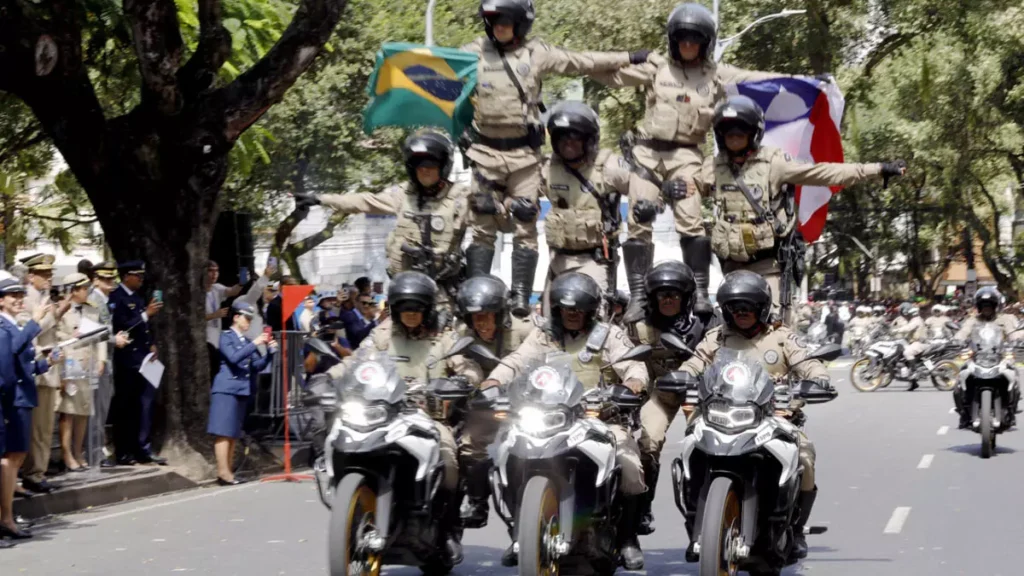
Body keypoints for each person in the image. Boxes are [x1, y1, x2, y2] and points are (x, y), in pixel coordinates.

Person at [591, 3, 796, 321]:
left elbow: (758, 79)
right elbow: (608, 75)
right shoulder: (656, 68)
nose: (688, 45)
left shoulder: (716, 75)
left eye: (695, 40)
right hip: (646, 154)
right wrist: (628, 56)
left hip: (687, 155)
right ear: (674, 41)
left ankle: (700, 292)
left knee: (690, 220)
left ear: (706, 44)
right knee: (638, 220)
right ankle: (639, 298)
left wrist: (801, 81)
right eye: (683, 39)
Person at [459, 0, 648, 317]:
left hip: (524, 156)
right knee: (480, 222)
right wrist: (458, 127)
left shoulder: (536, 53)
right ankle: (475, 290)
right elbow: (438, 75)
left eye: (505, 20)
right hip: (484, 152)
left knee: (525, 220)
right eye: (492, 21)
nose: (498, 26)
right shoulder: (473, 51)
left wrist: (629, 57)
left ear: (520, 23)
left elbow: (582, 61)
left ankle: (520, 295)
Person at [479, 272, 648, 569]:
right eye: (566, 308)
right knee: (504, 455)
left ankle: (627, 538)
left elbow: (633, 365)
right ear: (555, 309)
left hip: (599, 418)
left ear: (591, 310)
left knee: (629, 464)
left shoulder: (608, 334)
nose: (572, 314)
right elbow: (516, 361)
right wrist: (493, 381)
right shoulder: (543, 334)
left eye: (578, 309)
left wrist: (632, 383)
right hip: (547, 416)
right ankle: (521, 532)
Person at [691, 95, 905, 324]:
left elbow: (824, 173)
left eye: (740, 131)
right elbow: (685, 189)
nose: (734, 137)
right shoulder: (713, 167)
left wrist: (878, 169)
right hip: (730, 267)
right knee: (730, 328)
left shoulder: (774, 163)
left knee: (774, 328)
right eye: (728, 132)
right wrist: (659, 189)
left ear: (753, 133)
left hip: (768, 266)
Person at [676, 270, 831, 561]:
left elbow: (811, 364)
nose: (742, 312)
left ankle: (794, 529)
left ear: (762, 307)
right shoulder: (716, 338)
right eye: (735, 307)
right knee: (688, 451)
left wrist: (818, 379)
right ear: (726, 310)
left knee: (805, 457)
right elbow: (693, 365)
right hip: (719, 416)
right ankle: (697, 525)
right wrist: (681, 377)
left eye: (748, 306)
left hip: (774, 418)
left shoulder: (782, 338)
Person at [331, 272, 466, 564]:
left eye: (416, 309)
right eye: (405, 309)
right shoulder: (383, 333)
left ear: (428, 309)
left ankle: (446, 529)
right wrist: (327, 378)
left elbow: (466, 365)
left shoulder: (444, 336)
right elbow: (355, 360)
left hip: (429, 417)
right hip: (383, 414)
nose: (411, 315)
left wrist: (464, 379)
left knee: (449, 459)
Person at [300, 131, 470, 322]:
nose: (425, 170)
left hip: (442, 293)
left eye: (431, 165)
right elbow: (364, 201)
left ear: (443, 166)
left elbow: (493, 220)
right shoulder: (402, 194)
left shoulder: (461, 197)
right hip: (404, 290)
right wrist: (320, 199)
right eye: (419, 165)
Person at [628, 260, 715, 535]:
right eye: (661, 295)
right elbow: (623, 358)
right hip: (659, 393)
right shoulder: (637, 325)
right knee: (646, 441)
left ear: (687, 298)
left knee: (708, 447)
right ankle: (642, 507)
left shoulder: (708, 321)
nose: (667, 300)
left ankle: (703, 517)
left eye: (674, 294)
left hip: (701, 394)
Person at [448, 274, 540, 528]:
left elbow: (547, 356)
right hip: (484, 405)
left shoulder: (527, 328)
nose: (482, 324)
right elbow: (458, 363)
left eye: (487, 316)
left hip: (526, 403)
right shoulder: (461, 334)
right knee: (469, 444)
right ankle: (478, 502)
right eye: (476, 318)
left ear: (500, 313)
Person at [539, 100, 631, 316]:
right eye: (561, 137)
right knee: (548, 325)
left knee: (592, 322)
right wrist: (508, 204)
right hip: (557, 261)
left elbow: (648, 190)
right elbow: (518, 193)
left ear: (589, 139)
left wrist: (649, 203)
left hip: (594, 261)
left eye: (574, 137)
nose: (567, 143)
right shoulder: (548, 169)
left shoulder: (608, 167)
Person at [0, 277, 54, 540]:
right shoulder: (3, 326)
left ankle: (7, 516)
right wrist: (35, 322)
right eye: (12, 295)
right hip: (13, 399)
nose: (18, 299)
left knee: (17, 457)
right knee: (12, 458)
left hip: (21, 395)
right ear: (0, 301)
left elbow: (21, 365)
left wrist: (45, 364)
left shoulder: (13, 325)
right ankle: (6, 518)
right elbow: (11, 352)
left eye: (20, 294)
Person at [209, 301, 277, 485]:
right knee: (223, 433)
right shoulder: (226, 337)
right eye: (246, 318)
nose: (248, 322)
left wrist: (270, 353)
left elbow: (256, 366)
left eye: (250, 319)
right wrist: (255, 343)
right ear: (236, 317)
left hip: (241, 389)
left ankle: (228, 471)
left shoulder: (246, 341)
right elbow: (233, 358)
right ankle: (223, 472)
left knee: (232, 433)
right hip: (226, 388)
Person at [108, 261, 166, 465]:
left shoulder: (137, 298)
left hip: (143, 358)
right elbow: (121, 326)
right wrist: (145, 314)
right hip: (127, 360)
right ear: (126, 276)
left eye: (142, 276)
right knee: (125, 406)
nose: (140, 279)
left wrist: (150, 344)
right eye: (136, 275)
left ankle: (141, 447)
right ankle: (123, 451)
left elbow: (144, 329)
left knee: (142, 406)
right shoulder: (117, 298)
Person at [18, 254, 65, 494]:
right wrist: (49, 315)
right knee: (36, 427)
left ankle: (39, 470)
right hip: (35, 369)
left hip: (49, 368)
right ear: (31, 276)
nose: (49, 278)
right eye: (44, 274)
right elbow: (28, 332)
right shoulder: (25, 300)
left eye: (50, 274)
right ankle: (33, 473)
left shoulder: (45, 298)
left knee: (46, 426)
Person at [55, 273, 107, 472]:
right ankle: (66, 453)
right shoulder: (62, 309)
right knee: (68, 411)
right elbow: (56, 336)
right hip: (70, 363)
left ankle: (78, 451)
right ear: (73, 290)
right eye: (83, 288)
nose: (87, 292)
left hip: (88, 362)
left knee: (84, 410)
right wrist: (71, 337)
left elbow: (100, 335)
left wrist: (101, 358)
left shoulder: (91, 310)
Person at [953, 288, 1021, 428]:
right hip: (977, 356)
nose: (987, 309)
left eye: (990, 305)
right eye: (984, 306)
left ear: (995, 306)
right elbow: (963, 331)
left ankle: (1010, 410)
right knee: (960, 380)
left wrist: (1018, 338)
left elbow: (1012, 334)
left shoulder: (1004, 319)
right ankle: (964, 413)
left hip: (999, 356)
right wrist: (957, 339)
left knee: (1014, 375)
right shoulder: (972, 320)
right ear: (979, 307)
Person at [204, 260, 244, 383]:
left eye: (216, 271)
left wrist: (242, 281)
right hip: (205, 339)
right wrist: (214, 315)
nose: (214, 274)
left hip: (216, 338)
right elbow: (195, 318)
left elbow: (232, 291)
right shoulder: (197, 292)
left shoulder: (217, 288)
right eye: (211, 270)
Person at [891, 302, 926, 391]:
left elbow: (908, 328)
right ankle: (913, 383)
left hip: (919, 343)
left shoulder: (916, 320)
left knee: (907, 352)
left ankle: (914, 372)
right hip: (913, 342)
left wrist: (897, 330)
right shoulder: (912, 320)